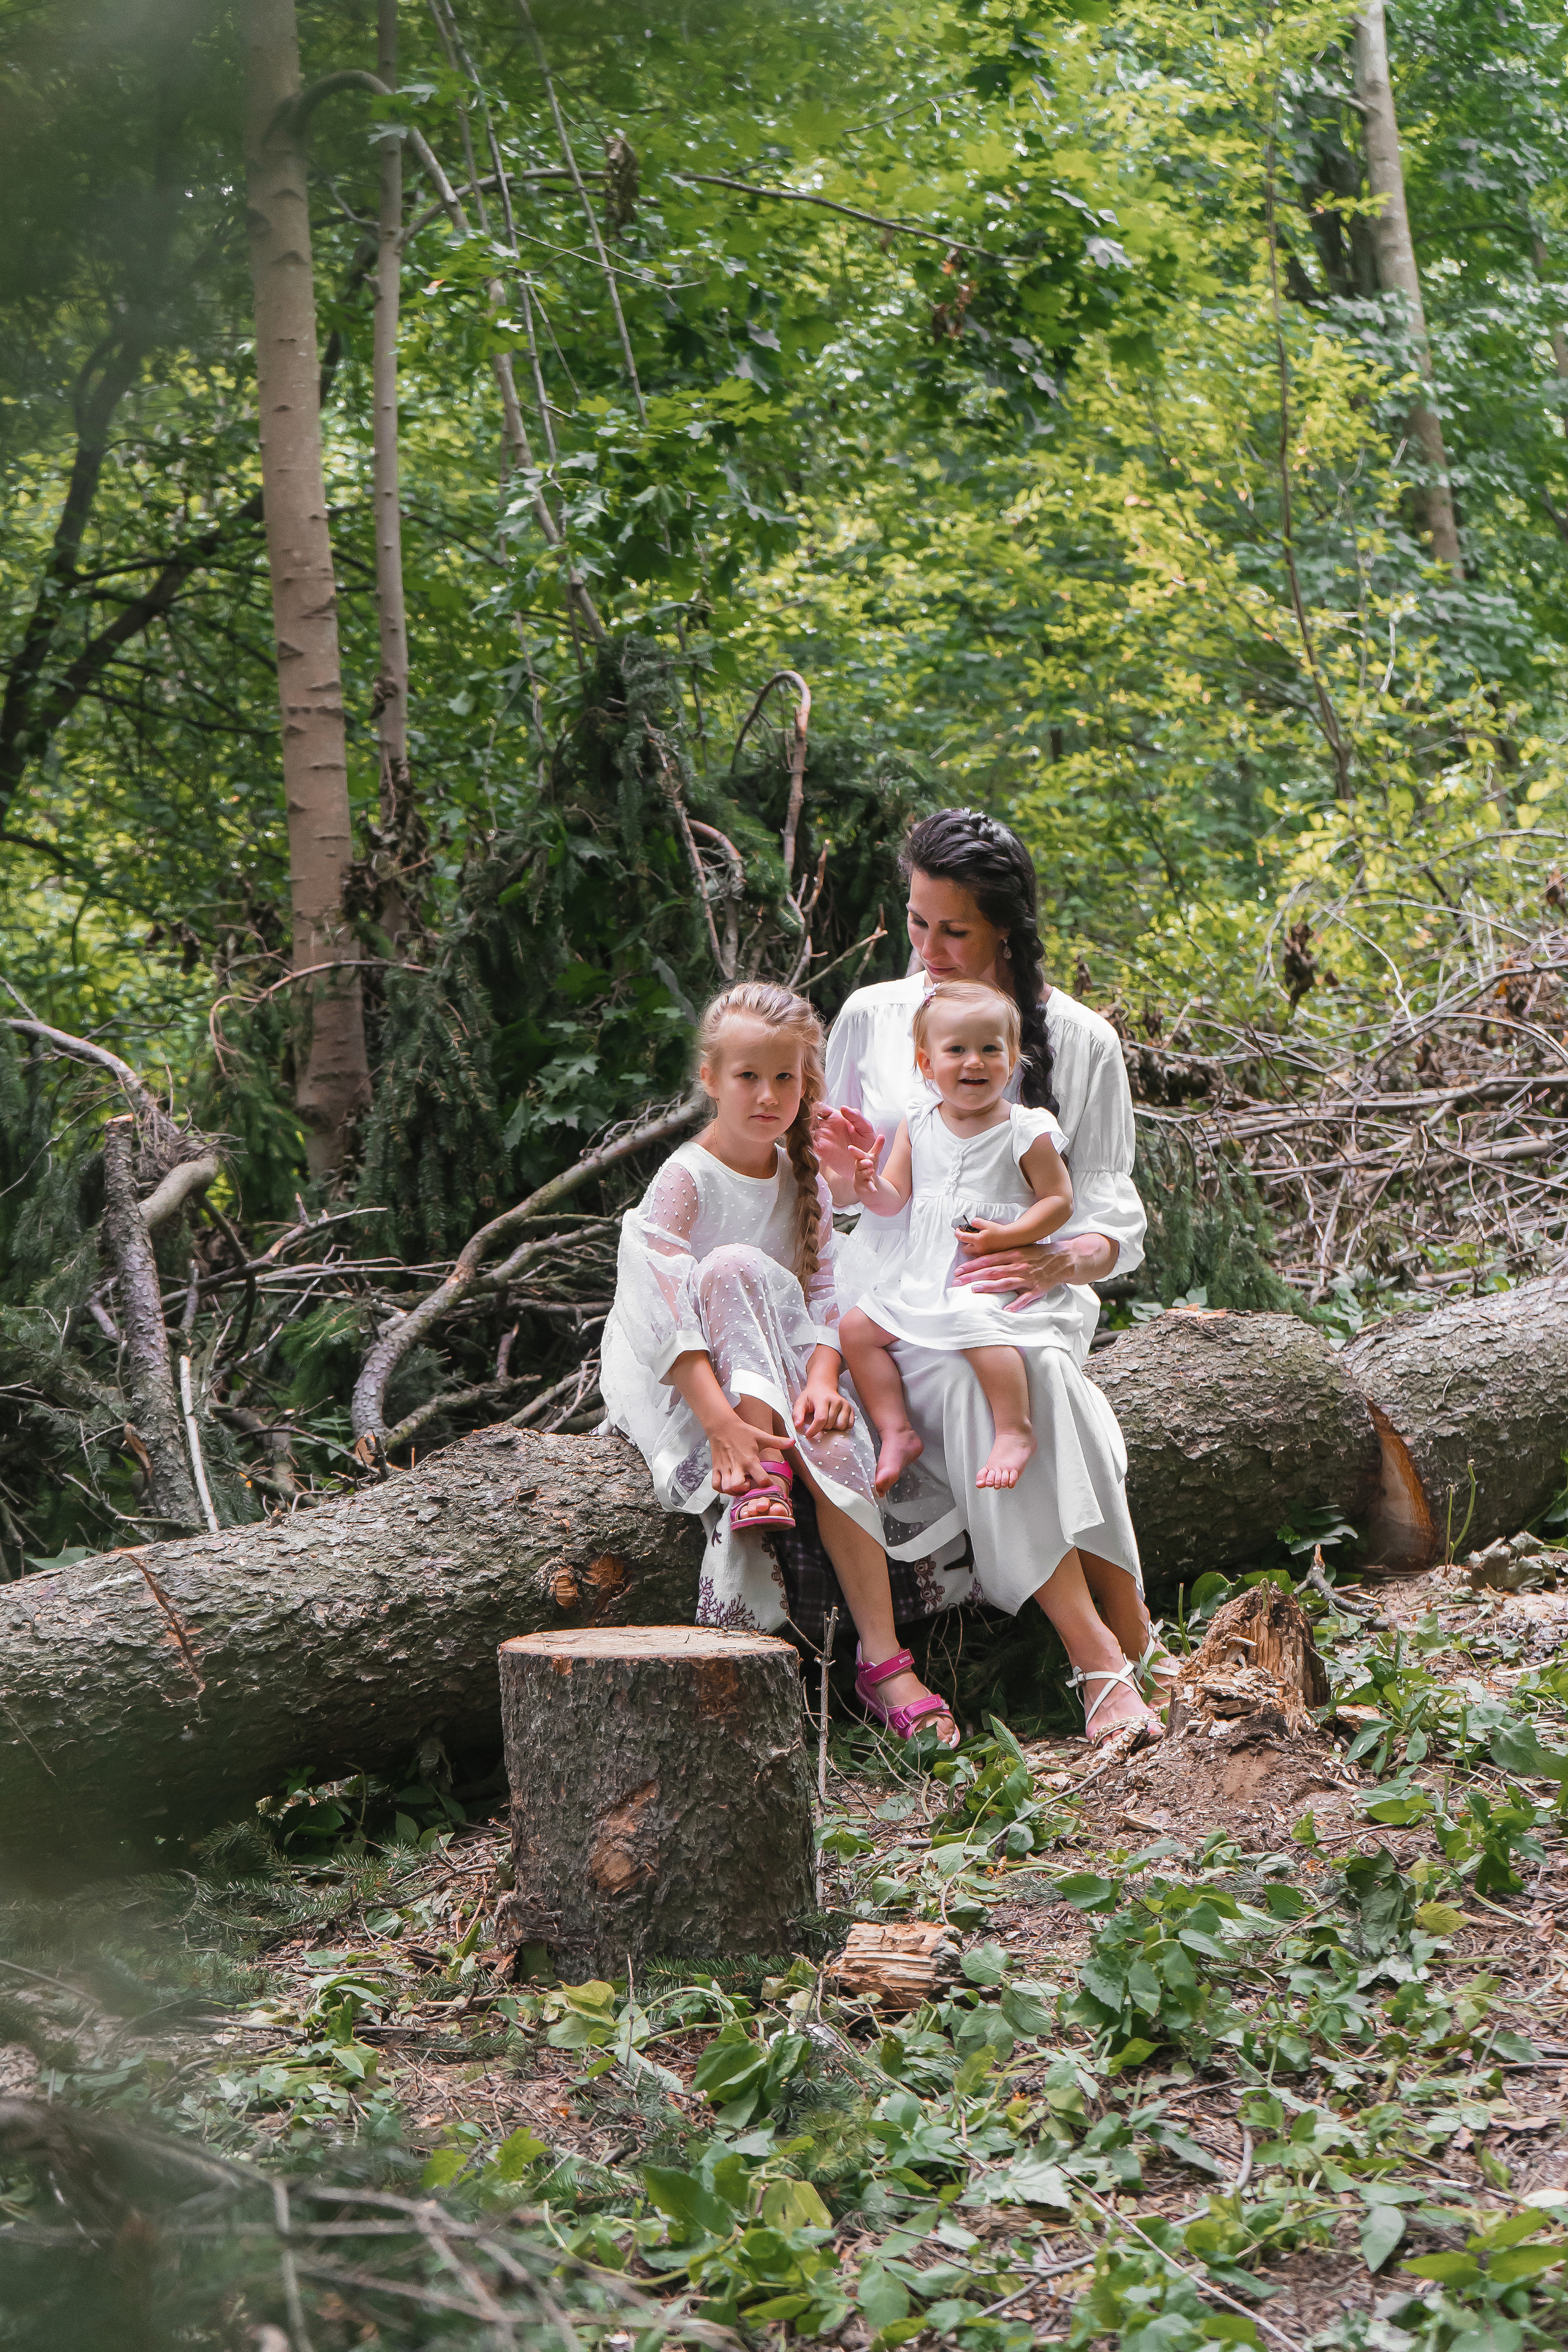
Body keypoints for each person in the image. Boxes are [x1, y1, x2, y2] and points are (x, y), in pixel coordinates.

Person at [816, 808, 1168, 1741]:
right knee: (1005, 1384)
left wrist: (1062, 1256)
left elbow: (1108, 1208)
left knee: (1029, 1364)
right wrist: (846, 1173)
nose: (928, 948)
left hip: (1019, 1292)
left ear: (1006, 927)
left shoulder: (1079, 1039)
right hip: (894, 1293)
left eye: (955, 930)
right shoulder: (874, 1016)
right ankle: (1114, 1647)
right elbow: (841, 1193)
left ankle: (1113, 1650)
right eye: (916, 922)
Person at [600, 979, 959, 1746]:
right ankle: (754, 1469)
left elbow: (827, 1291)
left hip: (782, 1359)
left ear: (807, 1083)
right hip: (692, 1384)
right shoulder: (686, 1179)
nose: (767, 1095)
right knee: (730, 1266)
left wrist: (827, 1381)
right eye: (747, 1077)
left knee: (830, 1435)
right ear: (710, 1081)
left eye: (786, 1078)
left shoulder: (803, 1179)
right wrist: (723, 1422)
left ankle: (884, 1659)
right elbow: (660, 1313)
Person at [839, 981, 1077, 1494]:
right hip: (924, 1270)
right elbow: (895, 1196)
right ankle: (895, 1429)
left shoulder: (1024, 1128)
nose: (975, 1062)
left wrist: (1009, 1235)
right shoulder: (919, 1120)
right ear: (927, 1063)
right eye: (957, 1050)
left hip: (985, 1270)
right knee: (857, 1329)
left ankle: (1015, 1429)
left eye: (991, 1049)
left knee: (970, 1317)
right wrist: (870, 1186)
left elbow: (1059, 1200)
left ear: (1013, 1058)